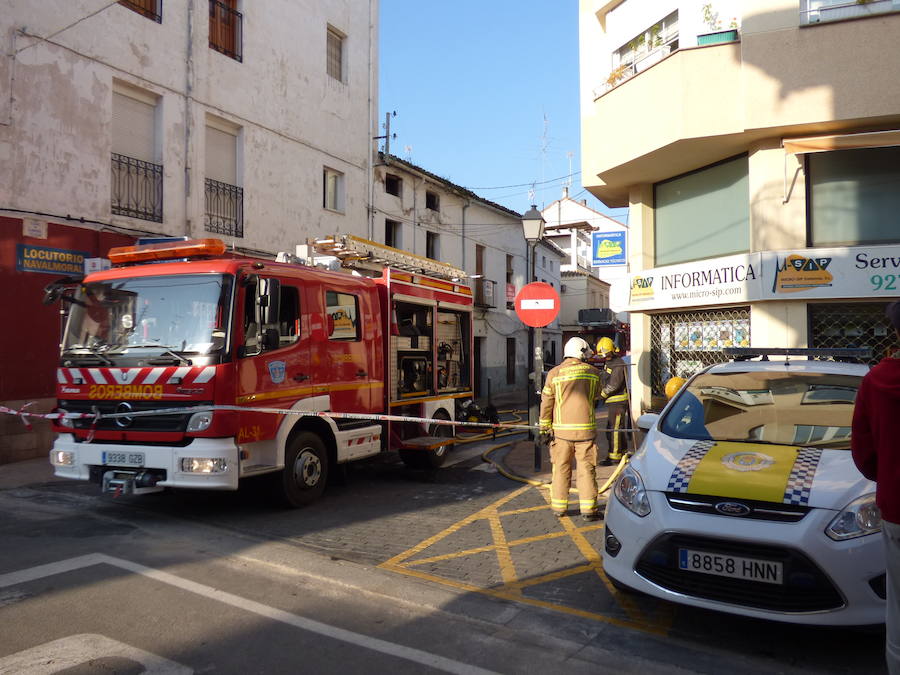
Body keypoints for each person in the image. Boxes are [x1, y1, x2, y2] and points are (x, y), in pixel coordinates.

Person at [852, 301, 900, 675]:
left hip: (897, 506)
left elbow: (864, 453)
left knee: (897, 604)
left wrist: (888, 477)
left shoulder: (875, 381)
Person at [539, 336, 603, 521]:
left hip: (561, 433)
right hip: (586, 432)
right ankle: (589, 510)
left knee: (560, 468)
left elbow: (546, 403)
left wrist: (544, 428)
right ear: (582, 353)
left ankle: (559, 508)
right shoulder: (593, 372)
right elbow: (597, 397)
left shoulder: (554, 374)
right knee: (587, 470)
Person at [597, 337, 630, 466]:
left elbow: (614, 384)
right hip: (613, 402)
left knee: (614, 429)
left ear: (612, 350)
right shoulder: (610, 363)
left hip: (618, 402)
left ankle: (615, 457)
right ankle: (622, 453)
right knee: (614, 428)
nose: (604, 357)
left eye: (605, 354)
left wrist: (601, 394)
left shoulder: (618, 363)